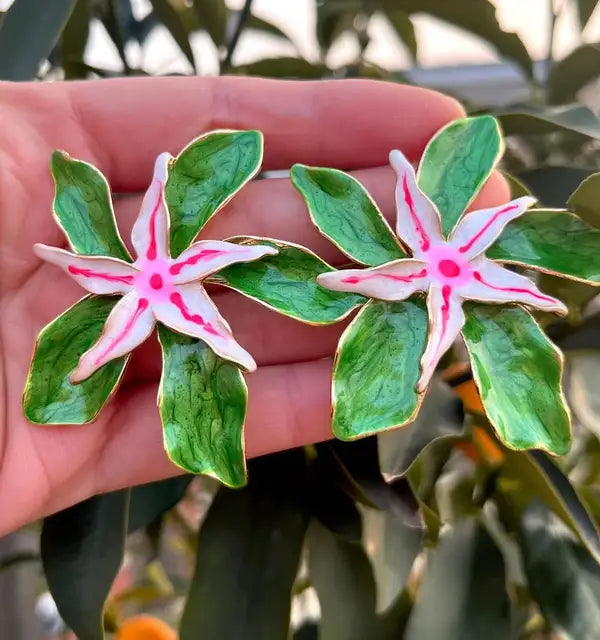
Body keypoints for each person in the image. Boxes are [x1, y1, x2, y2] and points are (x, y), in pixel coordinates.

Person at [0, 76, 509, 535]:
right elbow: (118, 270)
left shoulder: (172, 277)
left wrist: (256, 259)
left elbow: (203, 265)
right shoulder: (145, 285)